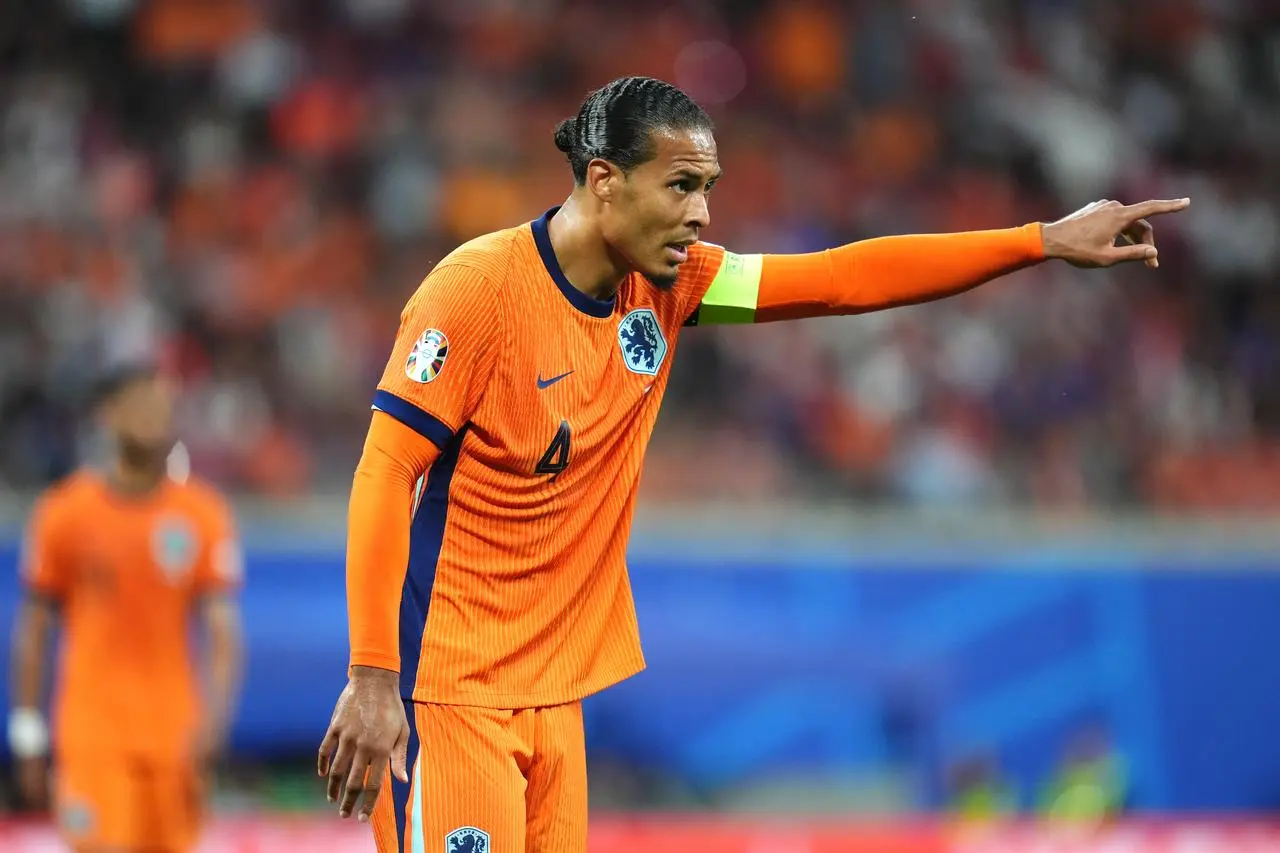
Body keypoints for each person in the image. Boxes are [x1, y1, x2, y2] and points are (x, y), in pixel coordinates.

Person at [317, 76, 1188, 853]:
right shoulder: (476, 292)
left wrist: (1039, 239)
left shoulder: (675, 284)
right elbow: (384, 473)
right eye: (681, 185)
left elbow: (847, 279)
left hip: (556, 698)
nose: (701, 214)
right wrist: (370, 678)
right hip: (448, 692)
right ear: (604, 179)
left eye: (708, 190)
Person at [8, 363, 243, 853]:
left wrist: (213, 723)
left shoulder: (201, 514)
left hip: (173, 740)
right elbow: (33, 629)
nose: (153, 417)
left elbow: (222, 632)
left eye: (160, 405)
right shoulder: (65, 513)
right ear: (108, 415)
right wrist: (28, 732)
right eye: (140, 404)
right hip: (93, 737)